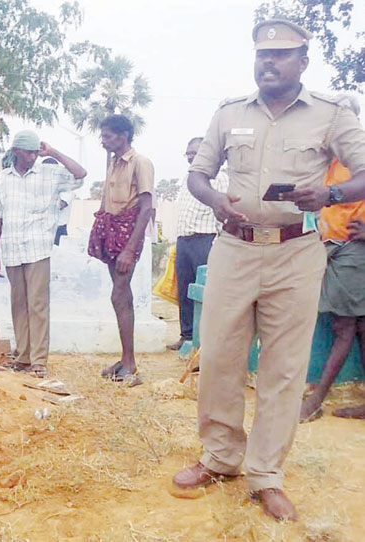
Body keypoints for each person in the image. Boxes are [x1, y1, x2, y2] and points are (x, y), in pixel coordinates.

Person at [170, 20, 365, 522]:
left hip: (297, 253)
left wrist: (332, 194)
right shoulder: (229, 112)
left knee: (281, 370)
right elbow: (197, 174)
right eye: (262, 54)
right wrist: (216, 200)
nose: (268, 62)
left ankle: (266, 475)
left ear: (303, 60)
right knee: (218, 358)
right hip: (233, 249)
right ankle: (219, 457)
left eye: (281, 54)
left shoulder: (331, 114)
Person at [0, 130, 86, 378]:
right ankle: (23, 357)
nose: (33, 156)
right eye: (29, 152)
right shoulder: (1, 179)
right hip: (11, 248)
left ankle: (39, 360)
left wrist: (53, 153)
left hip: (38, 248)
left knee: (37, 304)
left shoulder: (49, 173)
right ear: (16, 152)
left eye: (35, 152)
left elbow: (80, 174)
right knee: (19, 305)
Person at [297, 95, 365, 422]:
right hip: (331, 247)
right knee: (359, 325)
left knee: (344, 325)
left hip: (352, 249)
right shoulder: (330, 162)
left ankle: (315, 401)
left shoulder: (358, 158)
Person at [89, 114, 154, 385]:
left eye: (108, 136)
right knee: (120, 295)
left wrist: (130, 248)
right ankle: (126, 360)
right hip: (111, 230)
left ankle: (130, 363)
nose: (103, 141)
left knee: (119, 295)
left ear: (124, 135)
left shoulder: (141, 163)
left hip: (128, 233)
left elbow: (146, 206)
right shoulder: (114, 163)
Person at [169, 137, 229, 351]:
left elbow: (223, 214)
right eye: (188, 154)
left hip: (206, 240)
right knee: (184, 290)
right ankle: (186, 336)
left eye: (195, 153)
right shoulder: (187, 180)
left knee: (206, 292)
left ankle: (205, 340)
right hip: (184, 241)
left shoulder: (219, 178)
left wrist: (219, 243)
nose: (191, 157)